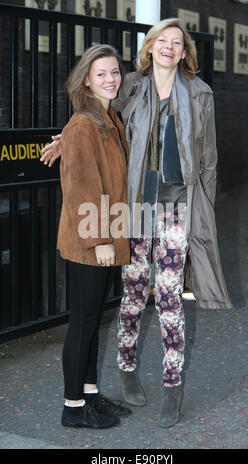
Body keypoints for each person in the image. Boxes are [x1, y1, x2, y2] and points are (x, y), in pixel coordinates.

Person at [41, 18, 232, 428]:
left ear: (184, 52)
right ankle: (126, 370)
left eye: (177, 43)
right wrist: (64, 138)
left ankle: (171, 384)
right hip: (137, 205)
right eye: (162, 40)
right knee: (131, 294)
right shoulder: (130, 84)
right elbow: (95, 114)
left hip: (178, 205)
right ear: (149, 47)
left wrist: (205, 213)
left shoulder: (200, 94)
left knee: (168, 298)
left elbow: (210, 160)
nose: (169, 47)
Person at [55, 44, 131, 429]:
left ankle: (89, 396)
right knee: (83, 323)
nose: (111, 79)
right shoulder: (84, 123)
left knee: (92, 322)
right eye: (101, 73)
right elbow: (83, 187)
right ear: (86, 80)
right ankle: (72, 407)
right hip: (90, 241)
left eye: (115, 72)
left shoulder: (108, 117)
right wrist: (99, 239)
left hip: (107, 234)